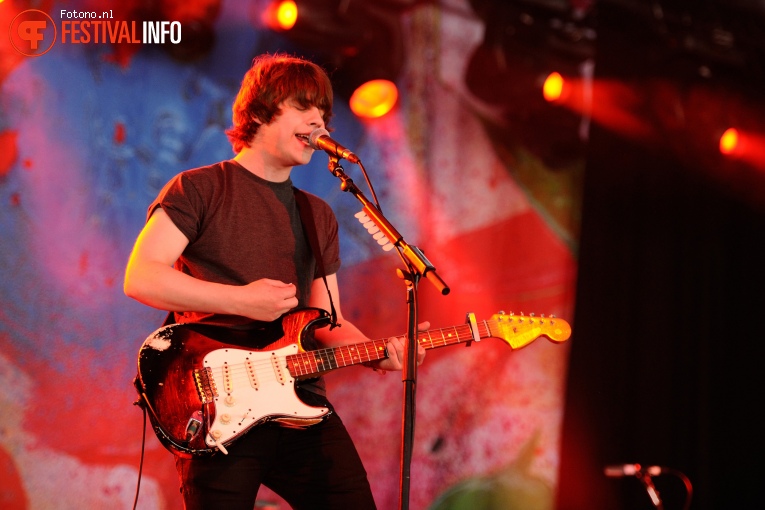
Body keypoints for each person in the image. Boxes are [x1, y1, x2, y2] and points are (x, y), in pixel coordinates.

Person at [124, 53, 427, 510]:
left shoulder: (317, 213)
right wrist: (243, 301)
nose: (320, 122)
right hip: (215, 403)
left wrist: (382, 354)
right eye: (305, 108)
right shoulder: (199, 188)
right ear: (262, 110)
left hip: (300, 402)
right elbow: (141, 276)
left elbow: (328, 319)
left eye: (324, 112)